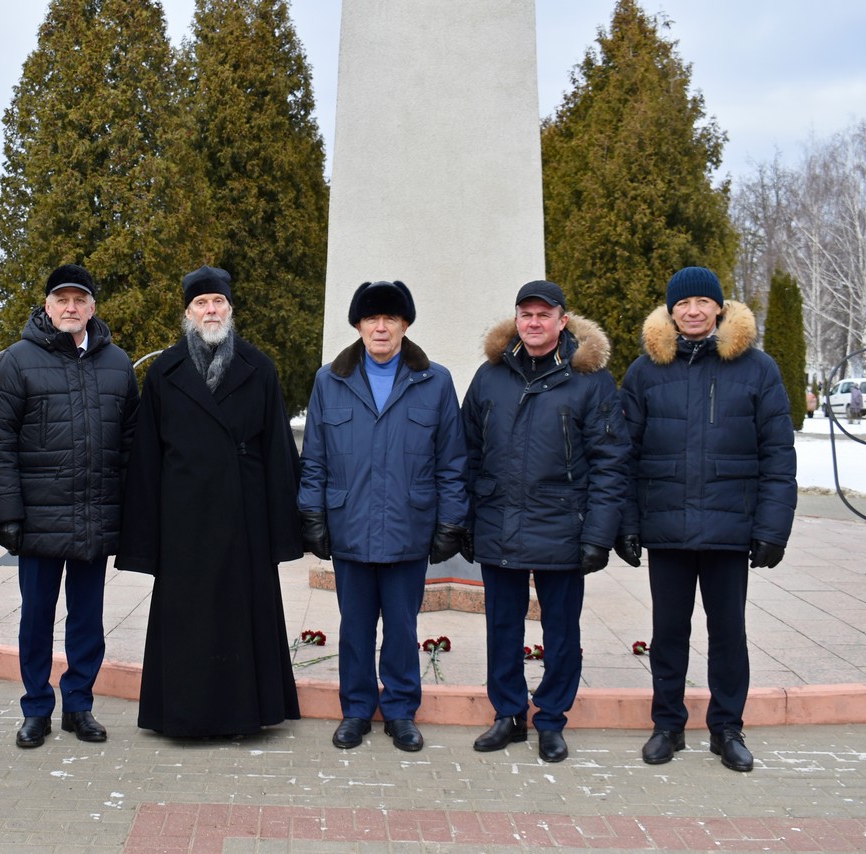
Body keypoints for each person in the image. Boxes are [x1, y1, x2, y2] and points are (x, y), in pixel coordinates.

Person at [618, 266, 796, 773]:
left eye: (702, 301)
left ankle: (727, 729)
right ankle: (667, 725)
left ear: (719, 308)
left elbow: (778, 455)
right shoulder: (645, 372)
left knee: (729, 633)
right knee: (668, 632)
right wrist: (626, 525)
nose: (693, 310)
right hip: (668, 530)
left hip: (729, 529)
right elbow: (623, 456)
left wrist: (771, 529)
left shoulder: (756, 369)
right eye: (683, 303)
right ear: (670, 312)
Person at [117, 265, 303, 738]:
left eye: (218, 302)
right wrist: (145, 538)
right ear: (188, 313)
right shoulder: (165, 371)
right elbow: (146, 459)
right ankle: (183, 716)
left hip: (244, 517)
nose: (211, 310)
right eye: (201, 303)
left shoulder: (259, 367)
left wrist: (283, 531)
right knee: (188, 621)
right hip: (184, 521)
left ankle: (244, 715)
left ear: (231, 309)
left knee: (243, 615)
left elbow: (279, 451)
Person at [461, 280, 630, 763]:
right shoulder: (489, 376)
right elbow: (468, 452)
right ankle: (509, 714)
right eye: (526, 314)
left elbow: (610, 459)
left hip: (563, 528)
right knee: (502, 628)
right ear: (516, 320)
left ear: (563, 320)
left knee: (561, 633)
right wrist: (468, 521)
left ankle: (552, 718)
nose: (534, 322)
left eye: (543, 314)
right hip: (499, 525)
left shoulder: (590, 379)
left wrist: (599, 534)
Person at [298, 281, 469, 752]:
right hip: (349, 524)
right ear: (358, 325)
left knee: (402, 627)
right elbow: (314, 458)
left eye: (390, 318)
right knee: (354, 627)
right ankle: (355, 711)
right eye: (371, 318)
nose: (380, 326)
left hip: (407, 527)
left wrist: (450, 521)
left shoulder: (434, 381)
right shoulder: (329, 380)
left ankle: (399, 711)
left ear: (404, 325)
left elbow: (452, 461)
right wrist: (312, 513)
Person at [0, 264, 139, 749]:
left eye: (80, 300)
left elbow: (131, 444)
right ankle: (36, 708)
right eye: (61, 300)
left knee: (88, 619)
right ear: (47, 307)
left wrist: (131, 511)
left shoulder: (118, 364)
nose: (71, 308)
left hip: (94, 518)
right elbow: (0, 442)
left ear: (93, 308)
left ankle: (80, 705)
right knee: (35, 619)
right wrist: (5, 513)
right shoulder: (17, 361)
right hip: (38, 519)